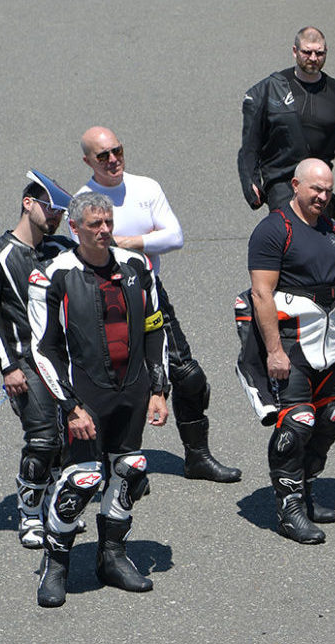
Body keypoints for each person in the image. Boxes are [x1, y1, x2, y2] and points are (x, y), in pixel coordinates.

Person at [27, 192, 172, 607]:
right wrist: (70, 407)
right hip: (83, 395)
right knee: (83, 478)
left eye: (108, 222)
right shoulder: (53, 275)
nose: (105, 230)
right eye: (95, 224)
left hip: (133, 389)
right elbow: (43, 350)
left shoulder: (136, 266)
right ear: (75, 228)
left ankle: (112, 556)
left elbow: (154, 327)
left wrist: (159, 389)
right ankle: (56, 565)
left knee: (129, 468)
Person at [77, 126, 240, 483]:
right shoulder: (83, 200)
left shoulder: (145, 187)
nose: (113, 160)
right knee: (110, 384)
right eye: (102, 156)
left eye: (117, 150)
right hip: (100, 299)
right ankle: (107, 466)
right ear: (88, 160)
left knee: (189, 376)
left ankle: (197, 458)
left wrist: (127, 242)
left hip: (148, 292)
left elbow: (175, 236)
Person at [244, 159, 335, 545]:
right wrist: (274, 351)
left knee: (329, 418)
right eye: (315, 189)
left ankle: (307, 490)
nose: (323, 197)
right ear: (296, 185)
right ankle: (289, 509)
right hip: (291, 345)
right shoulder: (274, 230)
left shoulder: (334, 231)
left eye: (328, 190)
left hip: (329, 344)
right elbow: (261, 293)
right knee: (296, 424)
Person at [0, 172, 75, 550]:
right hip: (25, 362)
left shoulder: (62, 248)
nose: (56, 216)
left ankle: (56, 509)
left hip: (67, 361)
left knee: (70, 442)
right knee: (44, 440)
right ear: (28, 203)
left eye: (61, 211)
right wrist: (8, 366)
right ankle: (29, 515)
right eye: (50, 207)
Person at [238, 27, 335, 219]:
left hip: (318, 183)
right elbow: (251, 142)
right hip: (282, 182)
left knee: (321, 242)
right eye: (307, 52)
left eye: (319, 53)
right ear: (295, 51)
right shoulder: (272, 89)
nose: (313, 58)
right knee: (292, 235)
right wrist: (251, 181)